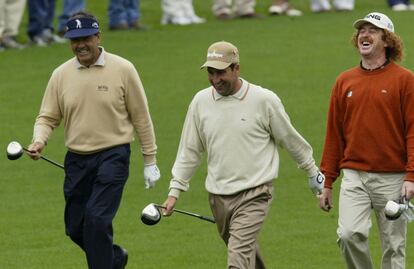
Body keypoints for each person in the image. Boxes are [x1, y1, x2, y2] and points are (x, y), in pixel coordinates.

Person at [162, 40, 325, 269]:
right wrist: (174, 192)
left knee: (237, 258)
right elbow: (189, 150)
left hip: (255, 192)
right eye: (211, 73)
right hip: (217, 196)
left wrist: (312, 172)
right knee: (245, 252)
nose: (215, 79)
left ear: (236, 68)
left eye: (221, 72)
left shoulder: (264, 100)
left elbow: (289, 139)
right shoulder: (200, 102)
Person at [27, 11, 161, 269]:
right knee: (76, 228)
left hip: (113, 156)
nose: (80, 45)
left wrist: (150, 159)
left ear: (98, 36)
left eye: (86, 38)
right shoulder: (60, 75)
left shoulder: (123, 69)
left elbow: (141, 117)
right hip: (76, 160)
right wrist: (39, 141)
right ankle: (114, 258)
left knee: (97, 220)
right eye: (74, 40)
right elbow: (47, 117)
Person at [319, 12, 414, 269]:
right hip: (354, 176)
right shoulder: (344, 81)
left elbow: (413, 131)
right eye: (362, 30)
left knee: (394, 247)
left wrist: (411, 176)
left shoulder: (405, 80)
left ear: (387, 40)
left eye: (373, 30)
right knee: (348, 235)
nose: (364, 34)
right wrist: (327, 181)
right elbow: (334, 134)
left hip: (393, 178)